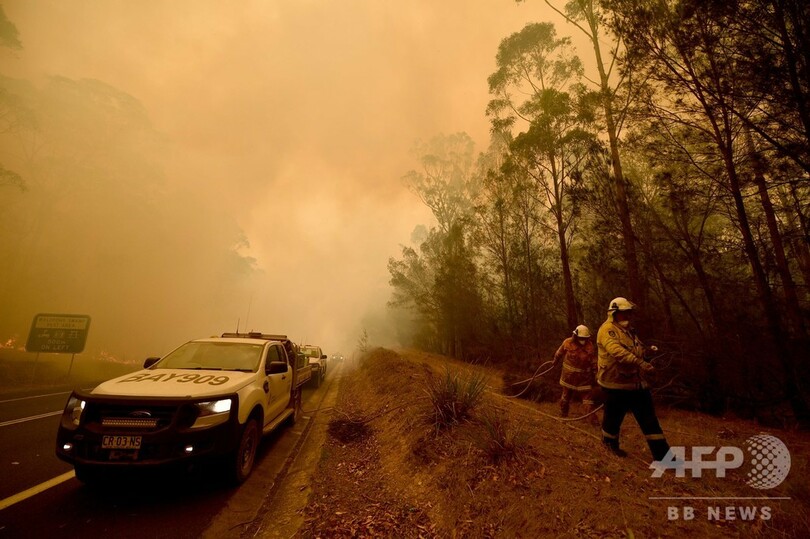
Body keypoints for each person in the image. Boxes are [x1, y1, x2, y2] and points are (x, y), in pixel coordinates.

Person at [597, 297, 670, 462]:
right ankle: (609, 447)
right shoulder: (607, 330)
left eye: (629, 313)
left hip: (635, 384)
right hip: (614, 384)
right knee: (613, 420)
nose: (628, 317)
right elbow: (617, 352)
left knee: (649, 420)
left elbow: (636, 349)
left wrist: (647, 351)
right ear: (614, 313)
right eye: (624, 314)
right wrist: (641, 364)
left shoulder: (629, 331)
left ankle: (665, 458)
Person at [552, 325, 599, 425]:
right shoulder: (567, 342)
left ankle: (592, 421)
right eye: (581, 338)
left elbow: (594, 361)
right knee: (565, 397)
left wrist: (596, 373)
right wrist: (555, 361)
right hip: (568, 377)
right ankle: (563, 414)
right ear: (575, 336)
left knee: (587, 400)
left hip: (584, 379)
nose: (583, 340)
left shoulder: (590, 346)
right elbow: (559, 353)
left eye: (584, 339)